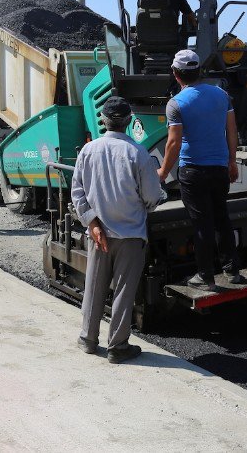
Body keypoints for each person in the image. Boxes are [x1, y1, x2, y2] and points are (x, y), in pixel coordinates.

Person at [72, 96, 162, 364]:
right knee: (123, 290)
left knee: (94, 287)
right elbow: (152, 196)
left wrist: (92, 221)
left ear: (104, 120)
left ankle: (88, 339)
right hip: (131, 233)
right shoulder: (138, 153)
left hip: (99, 233)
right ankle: (118, 346)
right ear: (129, 120)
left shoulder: (88, 150)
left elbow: (77, 191)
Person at [157, 50, 242, 291]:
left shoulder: (176, 103)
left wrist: (163, 172)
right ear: (200, 71)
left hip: (193, 170)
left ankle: (205, 276)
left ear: (175, 74)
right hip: (219, 168)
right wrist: (232, 161)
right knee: (221, 217)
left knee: (202, 222)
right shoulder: (221, 95)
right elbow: (232, 130)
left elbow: (173, 143)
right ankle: (232, 269)